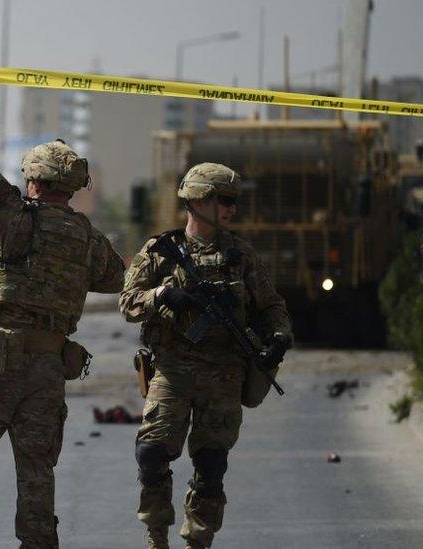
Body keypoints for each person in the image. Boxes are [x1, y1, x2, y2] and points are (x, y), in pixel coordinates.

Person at [0, 65, 126, 548]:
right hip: (49, 366)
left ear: (34, 179)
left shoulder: (16, 217)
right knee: (37, 471)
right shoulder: (87, 236)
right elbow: (115, 278)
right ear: (74, 185)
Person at [119, 163, 292, 549]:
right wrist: (163, 295)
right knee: (151, 454)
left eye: (234, 201)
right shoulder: (160, 251)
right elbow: (128, 304)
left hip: (225, 373)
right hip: (172, 369)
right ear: (198, 200)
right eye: (225, 200)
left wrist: (279, 338)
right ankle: (156, 533)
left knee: (211, 466)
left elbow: (272, 306)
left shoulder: (241, 256)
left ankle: (198, 538)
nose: (232, 209)